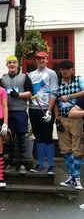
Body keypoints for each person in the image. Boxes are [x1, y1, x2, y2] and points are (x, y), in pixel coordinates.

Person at [0, 55, 32, 173]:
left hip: (20, 111)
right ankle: (9, 163)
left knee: (21, 138)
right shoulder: (3, 80)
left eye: (14, 62)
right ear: (7, 65)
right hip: (7, 112)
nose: (12, 64)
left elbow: (30, 94)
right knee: (8, 139)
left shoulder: (24, 77)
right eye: (10, 63)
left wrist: (18, 95)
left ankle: (22, 164)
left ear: (17, 64)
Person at [54, 60, 84, 190]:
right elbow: (55, 102)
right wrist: (57, 119)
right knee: (65, 149)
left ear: (72, 69)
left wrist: (70, 96)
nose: (65, 70)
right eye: (63, 68)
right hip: (63, 118)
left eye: (68, 68)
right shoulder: (58, 84)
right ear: (60, 70)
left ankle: (77, 177)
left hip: (76, 118)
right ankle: (71, 176)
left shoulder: (78, 80)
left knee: (77, 148)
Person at [28, 51, 58, 174]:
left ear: (47, 59)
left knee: (48, 136)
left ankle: (51, 165)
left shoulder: (51, 73)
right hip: (33, 109)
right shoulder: (30, 75)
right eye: (38, 58)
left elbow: (54, 92)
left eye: (43, 58)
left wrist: (49, 111)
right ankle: (41, 164)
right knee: (38, 137)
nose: (41, 60)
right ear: (36, 60)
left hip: (46, 109)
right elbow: (29, 92)